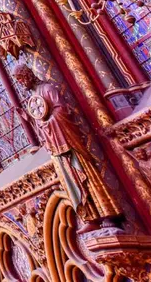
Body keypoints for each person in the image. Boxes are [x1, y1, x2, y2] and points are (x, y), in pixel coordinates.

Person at [13, 63, 123, 231]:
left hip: (67, 142)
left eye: (21, 79)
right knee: (71, 182)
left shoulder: (48, 89)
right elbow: (41, 121)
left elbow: (61, 111)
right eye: (19, 82)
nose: (22, 84)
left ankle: (107, 213)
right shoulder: (35, 96)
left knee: (84, 172)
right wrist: (31, 120)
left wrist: (46, 122)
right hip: (55, 146)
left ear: (28, 75)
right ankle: (90, 217)